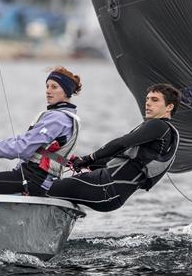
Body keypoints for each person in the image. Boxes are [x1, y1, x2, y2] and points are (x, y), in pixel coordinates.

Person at [47, 84, 180, 212]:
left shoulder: (158, 125)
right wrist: (87, 163)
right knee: (53, 188)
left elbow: (121, 144)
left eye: (155, 100)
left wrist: (88, 158)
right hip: (111, 194)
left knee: (41, 187)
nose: (148, 103)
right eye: (147, 99)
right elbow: (125, 162)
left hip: (103, 187)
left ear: (169, 107)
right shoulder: (162, 134)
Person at [0, 66, 82, 196]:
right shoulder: (68, 117)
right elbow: (50, 151)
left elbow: (23, 147)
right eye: (47, 86)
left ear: (67, 92)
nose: (48, 91)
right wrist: (72, 160)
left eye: (54, 87)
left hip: (32, 179)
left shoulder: (57, 118)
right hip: (40, 181)